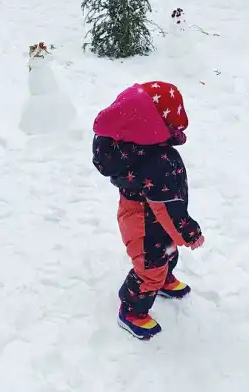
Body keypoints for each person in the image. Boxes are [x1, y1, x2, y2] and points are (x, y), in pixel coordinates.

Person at [92, 80, 205, 339]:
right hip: (145, 223)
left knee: (167, 252)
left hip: (147, 217)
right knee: (149, 268)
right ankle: (132, 310)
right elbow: (167, 209)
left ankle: (164, 278)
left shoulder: (128, 145)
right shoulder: (157, 162)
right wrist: (189, 232)